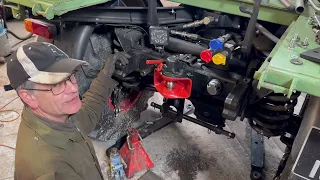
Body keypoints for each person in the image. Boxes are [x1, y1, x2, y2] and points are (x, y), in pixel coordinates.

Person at [6, 42, 130, 180]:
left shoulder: (55, 115)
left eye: (71, 76)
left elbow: (87, 115)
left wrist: (106, 74)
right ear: (28, 97)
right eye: (56, 84)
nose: (73, 89)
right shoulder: (49, 170)